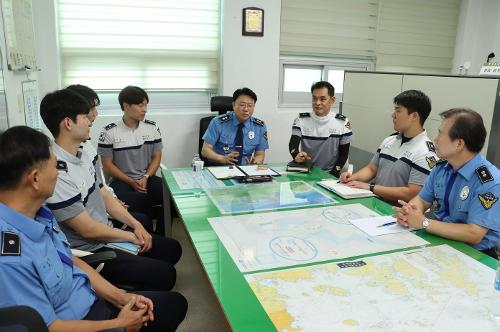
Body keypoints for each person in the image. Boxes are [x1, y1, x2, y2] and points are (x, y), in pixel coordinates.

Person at [0, 126, 187, 331]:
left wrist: (120, 297)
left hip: (89, 297)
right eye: (54, 167)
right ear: (35, 178)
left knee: (173, 303)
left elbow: (70, 261)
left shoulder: (38, 214)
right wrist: (118, 325)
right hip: (79, 322)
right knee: (170, 303)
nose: (58, 173)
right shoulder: (9, 258)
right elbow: (48, 327)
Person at [40, 88, 181, 291]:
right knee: (166, 275)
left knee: (172, 250)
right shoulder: (57, 170)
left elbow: (104, 193)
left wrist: (135, 225)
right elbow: (88, 230)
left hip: (106, 230)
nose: (91, 119)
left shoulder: (83, 152)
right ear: (68, 123)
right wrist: (132, 236)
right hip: (92, 248)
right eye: (84, 115)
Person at [394, 108, 500, 258]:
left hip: (475, 254)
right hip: (439, 241)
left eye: (440, 134)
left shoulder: (490, 182)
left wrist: (423, 222)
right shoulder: (442, 167)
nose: (435, 139)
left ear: (459, 144)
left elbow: (474, 233)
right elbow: (422, 199)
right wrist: (410, 212)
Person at [67, 84, 153, 232]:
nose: (95, 114)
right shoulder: (107, 133)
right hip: (101, 217)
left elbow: (98, 184)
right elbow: (104, 171)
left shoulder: (86, 145)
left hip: (105, 202)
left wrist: (113, 199)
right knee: (143, 216)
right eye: (92, 109)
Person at [340, 90, 438, 203]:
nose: (393, 115)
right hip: (376, 203)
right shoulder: (390, 140)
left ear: (414, 116)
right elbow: (372, 169)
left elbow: (412, 193)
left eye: (398, 111)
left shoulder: (426, 152)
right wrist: (352, 178)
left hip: (398, 213)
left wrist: (371, 187)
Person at [98, 85, 165, 235]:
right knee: (141, 199)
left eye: (146, 105)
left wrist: (146, 176)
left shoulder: (152, 127)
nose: (145, 109)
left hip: (147, 177)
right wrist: (130, 181)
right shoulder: (109, 131)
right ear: (126, 106)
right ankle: (145, 233)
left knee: (168, 195)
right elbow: (107, 165)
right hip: (121, 181)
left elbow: (156, 156)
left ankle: (161, 234)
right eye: (140, 105)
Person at [289, 81, 352, 177]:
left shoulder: (343, 122)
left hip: (332, 172)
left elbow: (344, 155)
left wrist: (333, 174)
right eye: (314, 98)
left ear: (332, 100)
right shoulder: (301, 119)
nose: (317, 103)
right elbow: (293, 145)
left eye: (322, 99)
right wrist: (296, 155)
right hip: (308, 171)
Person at [202, 87, 269, 165]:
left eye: (250, 105)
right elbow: (205, 150)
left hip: (246, 170)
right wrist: (222, 159)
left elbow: (260, 153)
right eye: (242, 105)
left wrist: (255, 162)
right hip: (220, 167)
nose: (246, 109)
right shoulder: (217, 122)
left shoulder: (259, 126)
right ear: (233, 105)